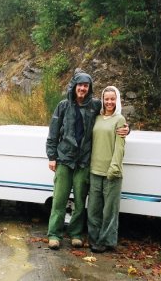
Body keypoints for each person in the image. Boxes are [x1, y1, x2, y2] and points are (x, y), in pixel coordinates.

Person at [45, 70, 128, 250]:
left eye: (86, 85)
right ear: (74, 86)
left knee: (81, 202)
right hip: (64, 160)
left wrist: (127, 129)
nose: (82, 88)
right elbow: (52, 133)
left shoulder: (94, 106)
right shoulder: (63, 106)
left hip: (83, 162)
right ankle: (54, 234)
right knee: (59, 200)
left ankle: (75, 233)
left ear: (89, 88)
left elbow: (111, 116)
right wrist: (52, 156)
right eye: (80, 85)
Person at [87, 86, 126, 253]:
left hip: (111, 172)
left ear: (117, 100)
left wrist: (114, 167)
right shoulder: (96, 118)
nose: (109, 102)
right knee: (94, 209)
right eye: (106, 99)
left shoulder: (120, 120)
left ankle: (106, 241)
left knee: (109, 211)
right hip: (94, 170)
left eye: (112, 99)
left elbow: (120, 147)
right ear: (102, 100)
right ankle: (94, 238)